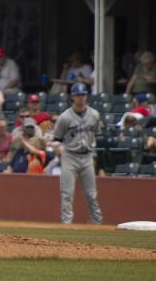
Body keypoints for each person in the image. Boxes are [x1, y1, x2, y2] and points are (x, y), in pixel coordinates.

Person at [54, 83, 103, 224]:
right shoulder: (65, 117)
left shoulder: (94, 114)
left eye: (83, 94)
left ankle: (96, 222)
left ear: (87, 96)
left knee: (91, 194)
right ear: (72, 97)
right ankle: (66, 223)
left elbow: (96, 135)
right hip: (70, 155)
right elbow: (56, 139)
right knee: (67, 193)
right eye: (78, 95)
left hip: (87, 156)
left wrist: (93, 155)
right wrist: (59, 148)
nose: (81, 97)